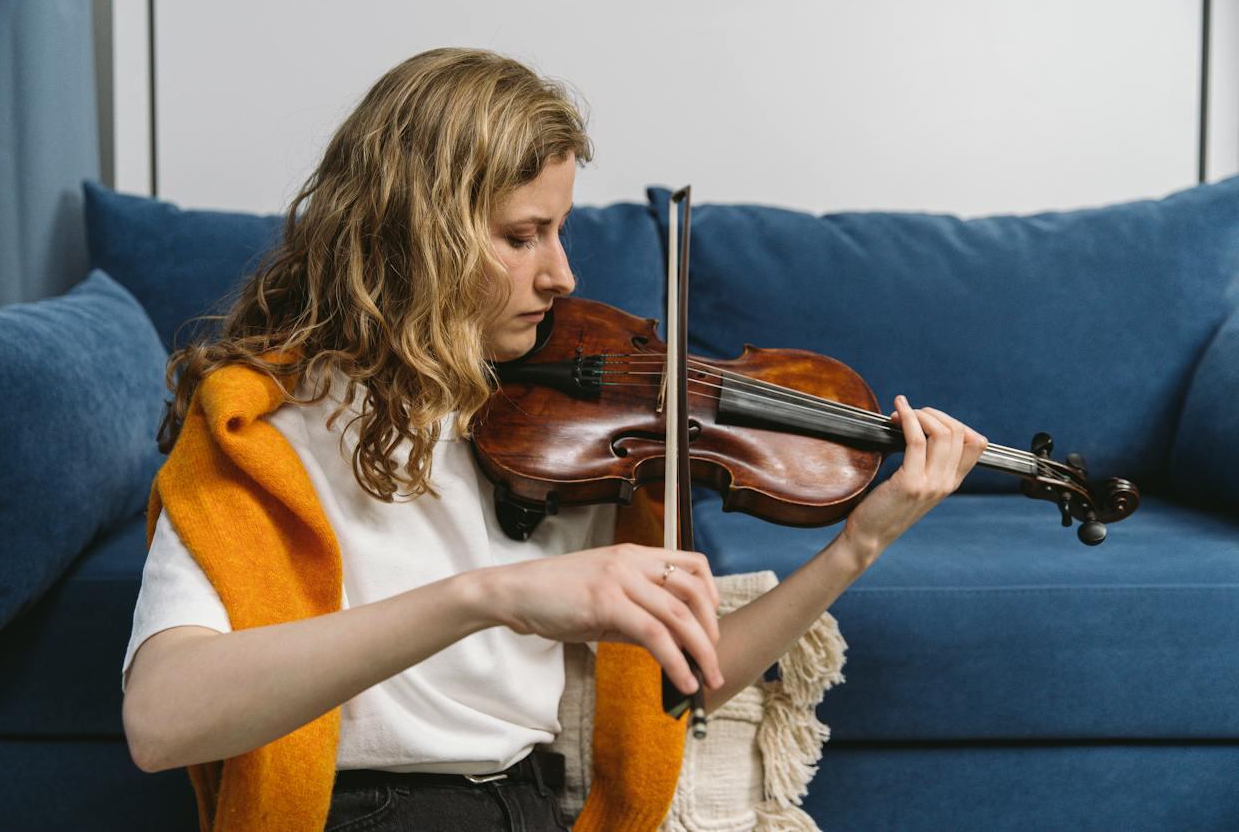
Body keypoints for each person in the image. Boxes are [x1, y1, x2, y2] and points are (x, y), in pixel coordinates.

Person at [120, 47, 988, 832]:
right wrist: (491, 594)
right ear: (413, 233)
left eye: (559, 229)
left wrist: (856, 547)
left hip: (533, 808)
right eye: (520, 236)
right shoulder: (266, 425)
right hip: (379, 812)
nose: (562, 274)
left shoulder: (560, 437)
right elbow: (161, 721)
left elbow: (690, 675)